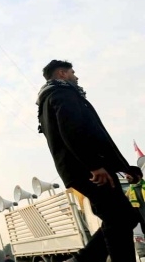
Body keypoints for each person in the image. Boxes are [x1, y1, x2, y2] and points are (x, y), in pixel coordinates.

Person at [36, 60, 142, 262]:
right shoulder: (62, 94)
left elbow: (95, 137)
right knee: (119, 217)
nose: (76, 77)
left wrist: (124, 168)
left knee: (123, 216)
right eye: (72, 72)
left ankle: (82, 260)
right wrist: (93, 165)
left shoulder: (50, 98)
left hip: (84, 168)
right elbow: (72, 131)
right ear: (62, 73)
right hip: (88, 170)